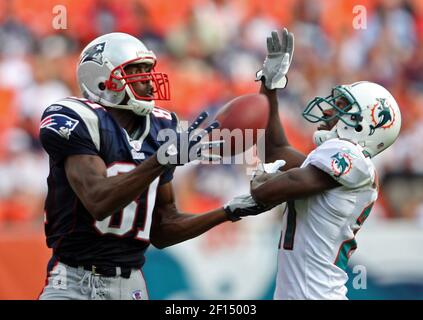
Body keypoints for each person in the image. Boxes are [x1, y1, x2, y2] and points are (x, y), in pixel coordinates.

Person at [38, 32, 267, 300]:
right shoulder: (73, 117)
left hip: (128, 283)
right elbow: (98, 201)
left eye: (148, 71)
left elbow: (163, 228)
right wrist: (160, 160)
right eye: (135, 71)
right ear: (101, 80)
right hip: (71, 281)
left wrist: (229, 211)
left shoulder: (161, 126)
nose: (147, 80)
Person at [250, 28, 401, 299]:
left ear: (363, 125)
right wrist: (270, 86)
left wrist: (262, 184)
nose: (330, 110)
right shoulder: (337, 164)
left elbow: (268, 191)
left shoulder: (350, 156)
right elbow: (275, 151)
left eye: (343, 106)